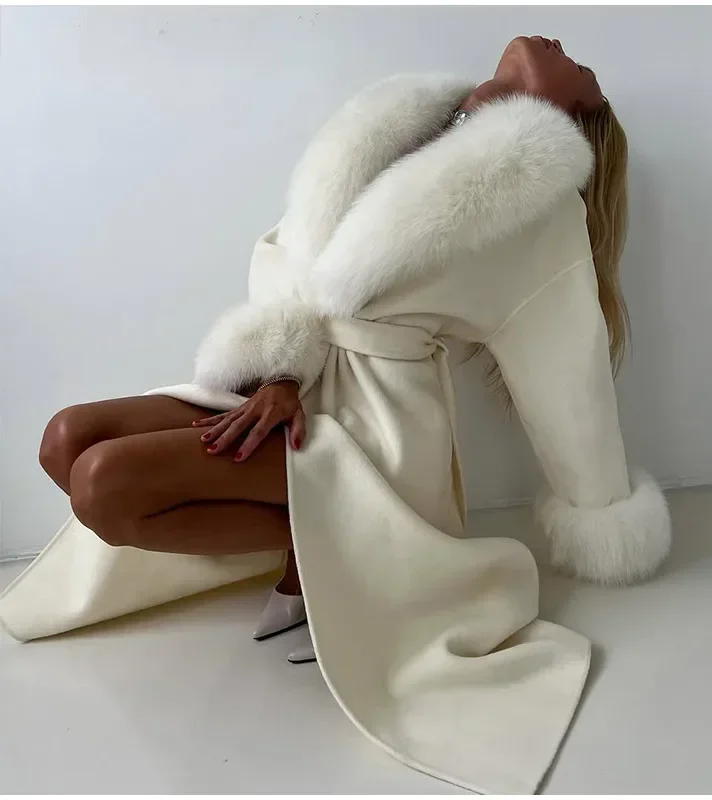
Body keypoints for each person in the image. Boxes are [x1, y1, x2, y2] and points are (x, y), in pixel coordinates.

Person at [0, 36, 671, 794]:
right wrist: (282, 370)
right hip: (285, 377)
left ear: (579, 112)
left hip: (376, 424)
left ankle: (338, 541)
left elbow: (564, 364)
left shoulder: (541, 205)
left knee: (104, 485)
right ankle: (323, 545)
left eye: (586, 70)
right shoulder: (400, 115)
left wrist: (600, 508)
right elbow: (289, 253)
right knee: (66, 440)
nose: (565, 46)